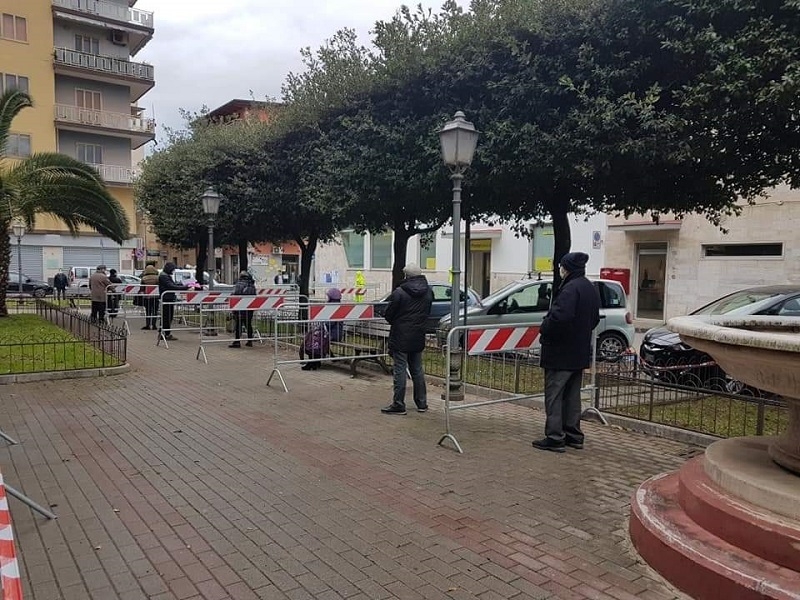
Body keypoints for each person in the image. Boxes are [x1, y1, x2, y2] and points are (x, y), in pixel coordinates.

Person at [532, 252, 601, 453]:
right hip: (578, 352)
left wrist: (545, 327)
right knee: (572, 396)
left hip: (560, 352)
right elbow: (594, 318)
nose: (560, 270)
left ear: (567, 268)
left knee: (554, 395)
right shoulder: (588, 287)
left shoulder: (570, 289)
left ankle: (554, 436)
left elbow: (560, 318)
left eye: (561, 266)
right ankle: (573, 434)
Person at [381, 263, 433, 415]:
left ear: (406, 276)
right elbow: (427, 312)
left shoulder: (399, 292)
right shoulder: (428, 292)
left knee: (400, 370)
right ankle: (422, 403)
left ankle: (398, 404)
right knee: (417, 370)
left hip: (400, 336)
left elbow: (389, 313)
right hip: (418, 335)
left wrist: (397, 322)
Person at [158, 262, 188, 341]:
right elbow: (171, 286)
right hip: (166, 298)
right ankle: (165, 334)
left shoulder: (165, 276)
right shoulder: (164, 276)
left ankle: (163, 333)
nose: (173, 271)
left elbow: (173, 285)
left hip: (168, 298)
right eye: (172, 269)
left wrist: (183, 285)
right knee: (166, 317)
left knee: (168, 317)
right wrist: (185, 287)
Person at [229, 271, 257, 348]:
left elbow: (235, 295)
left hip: (240, 308)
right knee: (248, 324)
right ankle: (250, 341)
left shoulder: (239, 284)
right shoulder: (252, 285)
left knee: (238, 324)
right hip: (249, 308)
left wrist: (233, 308)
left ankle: (237, 342)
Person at [138, 262, 160, 330]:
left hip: (147, 297)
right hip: (155, 297)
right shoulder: (158, 278)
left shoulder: (144, 278)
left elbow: (142, 288)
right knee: (155, 311)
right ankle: (154, 325)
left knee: (148, 311)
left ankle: (147, 325)